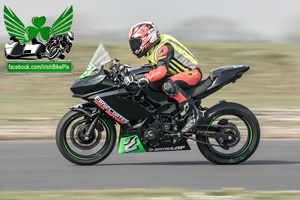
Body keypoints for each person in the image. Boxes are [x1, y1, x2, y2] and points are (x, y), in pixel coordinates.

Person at [125, 21, 202, 136]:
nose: (134, 47)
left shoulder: (163, 47)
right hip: (178, 74)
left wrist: (145, 78)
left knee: (168, 85)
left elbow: (161, 71)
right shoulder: (154, 49)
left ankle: (193, 114)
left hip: (192, 73)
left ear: (147, 38)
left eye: (136, 42)